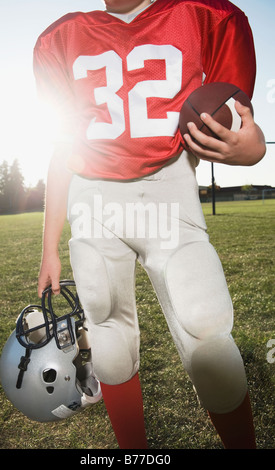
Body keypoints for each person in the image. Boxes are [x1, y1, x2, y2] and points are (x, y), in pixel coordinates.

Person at [34, 0, 266, 449]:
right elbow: (62, 148)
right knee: (106, 330)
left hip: (170, 188)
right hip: (93, 198)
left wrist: (251, 148)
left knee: (206, 326)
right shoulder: (58, 37)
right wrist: (49, 247)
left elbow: (242, 128)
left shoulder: (207, 15)